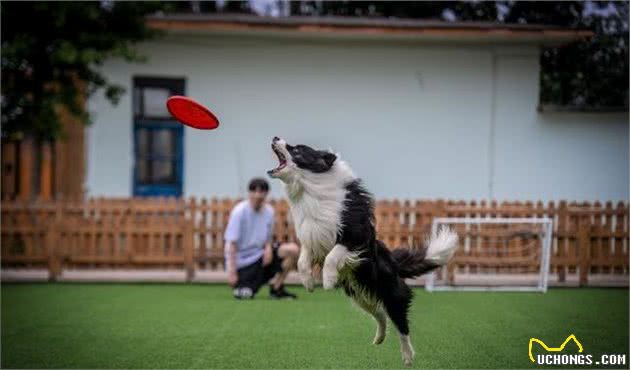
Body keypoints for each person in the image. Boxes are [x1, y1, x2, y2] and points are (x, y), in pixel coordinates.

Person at [224, 178, 300, 299]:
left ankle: (276, 288)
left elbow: (268, 238)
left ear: (266, 194)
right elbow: (231, 244)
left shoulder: (269, 211)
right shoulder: (239, 212)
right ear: (249, 193)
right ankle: (245, 285)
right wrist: (231, 272)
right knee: (245, 295)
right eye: (254, 191)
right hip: (243, 264)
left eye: (261, 191)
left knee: (293, 250)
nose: (258, 195)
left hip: (261, 256)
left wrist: (268, 248)